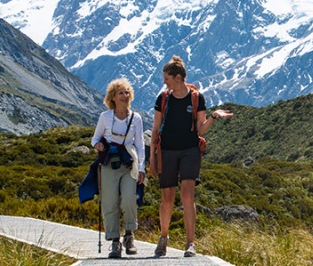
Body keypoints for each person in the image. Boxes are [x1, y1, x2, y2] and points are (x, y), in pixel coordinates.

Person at [151, 55, 233, 258]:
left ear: (177, 77)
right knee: (167, 198)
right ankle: (163, 238)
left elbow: (201, 129)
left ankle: (190, 243)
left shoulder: (197, 98)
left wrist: (213, 116)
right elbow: (155, 130)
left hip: (190, 151)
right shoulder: (163, 98)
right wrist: (152, 159)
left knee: (187, 195)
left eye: (167, 79)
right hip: (167, 151)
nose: (164, 82)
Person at [91, 78, 146, 259]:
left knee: (130, 198)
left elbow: (140, 145)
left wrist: (142, 168)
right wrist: (98, 145)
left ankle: (129, 235)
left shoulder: (135, 118)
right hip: (109, 164)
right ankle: (114, 241)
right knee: (109, 202)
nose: (125, 96)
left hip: (129, 163)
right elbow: (95, 139)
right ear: (113, 97)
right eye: (121, 93)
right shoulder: (105, 117)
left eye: (127, 92)